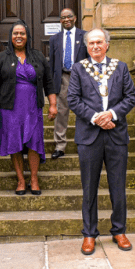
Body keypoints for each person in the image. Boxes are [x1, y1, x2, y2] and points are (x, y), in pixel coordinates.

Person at [68, 28, 135, 255]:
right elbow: (73, 100)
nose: (95, 46)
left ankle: (119, 230)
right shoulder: (78, 69)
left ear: (107, 44)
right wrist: (97, 118)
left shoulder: (121, 67)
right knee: (89, 187)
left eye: (99, 42)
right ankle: (89, 234)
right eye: (91, 43)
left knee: (118, 186)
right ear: (86, 47)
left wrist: (112, 115)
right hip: (89, 136)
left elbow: (130, 97)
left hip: (116, 134)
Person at [0, 20, 57, 195]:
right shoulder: (1, 58)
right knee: (15, 143)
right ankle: (20, 180)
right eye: (15, 33)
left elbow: (49, 82)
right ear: (10, 37)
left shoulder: (38, 56)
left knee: (34, 142)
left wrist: (53, 105)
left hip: (32, 107)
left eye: (22, 33)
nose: (19, 36)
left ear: (27, 36)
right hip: (9, 108)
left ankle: (34, 178)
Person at [48, 8, 89, 159]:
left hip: (81, 79)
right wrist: (52, 86)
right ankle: (60, 146)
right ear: (60, 20)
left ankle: (84, 144)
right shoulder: (54, 39)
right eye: (63, 17)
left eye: (69, 16)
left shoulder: (84, 36)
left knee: (83, 112)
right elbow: (52, 64)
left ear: (75, 18)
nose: (66, 19)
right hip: (62, 78)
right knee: (61, 113)